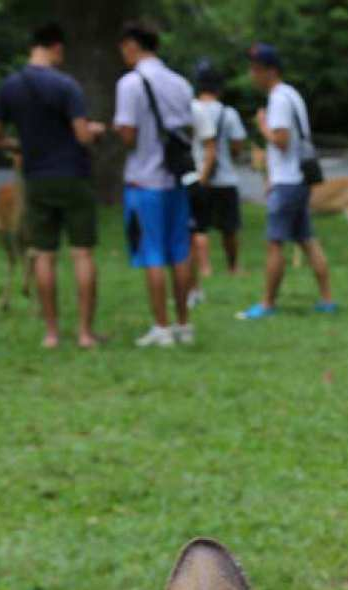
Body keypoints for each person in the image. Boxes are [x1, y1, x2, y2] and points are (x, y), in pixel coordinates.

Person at [0, 21, 105, 349]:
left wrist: (21, 146)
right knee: (82, 254)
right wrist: (95, 130)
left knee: (44, 256)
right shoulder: (67, 86)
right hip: (72, 177)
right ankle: (84, 333)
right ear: (56, 47)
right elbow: (81, 135)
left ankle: (51, 334)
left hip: (35, 180)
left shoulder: (9, 87)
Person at [112, 21, 196, 347]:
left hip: (144, 179)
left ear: (132, 45)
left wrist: (116, 131)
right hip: (175, 178)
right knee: (180, 252)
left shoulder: (130, 84)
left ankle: (161, 327)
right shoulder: (181, 83)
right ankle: (183, 324)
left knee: (152, 253)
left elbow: (129, 135)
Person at [238, 44, 336, 320]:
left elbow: (281, 141)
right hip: (299, 179)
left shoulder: (278, 99)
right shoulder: (293, 95)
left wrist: (263, 127)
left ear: (271, 71)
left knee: (275, 243)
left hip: (287, 181)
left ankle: (267, 304)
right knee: (307, 239)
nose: (252, 75)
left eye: (256, 70)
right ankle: (327, 299)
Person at [187, 61, 248, 297]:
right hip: (225, 178)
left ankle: (204, 268)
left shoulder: (189, 109)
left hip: (196, 176)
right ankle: (233, 266)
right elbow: (237, 145)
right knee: (229, 228)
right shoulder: (228, 113)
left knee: (198, 228)